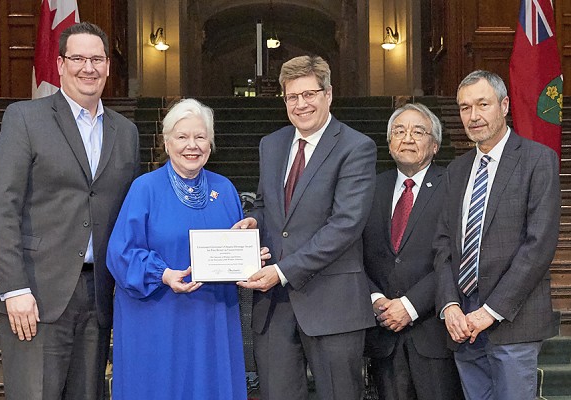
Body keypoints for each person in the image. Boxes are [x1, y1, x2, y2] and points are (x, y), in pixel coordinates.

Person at [0, 22, 141, 400]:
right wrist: (14, 288)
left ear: (108, 67)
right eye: (78, 58)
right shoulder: (25, 118)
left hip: (100, 295)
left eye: (97, 59)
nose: (88, 67)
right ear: (59, 64)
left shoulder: (127, 132)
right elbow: (1, 206)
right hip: (36, 295)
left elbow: (133, 214)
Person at [234, 55, 377, 400]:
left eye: (309, 94)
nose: (301, 104)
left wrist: (282, 271)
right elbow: (268, 205)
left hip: (333, 305)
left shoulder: (356, 147)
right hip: (275, 308)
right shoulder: (271, 144)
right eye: (292, 97)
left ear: (328, 94)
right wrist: (255, 219)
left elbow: (345, 225)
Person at [106, 98, 265, 400]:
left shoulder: (226, 190)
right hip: (157, 319)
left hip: (213, 320)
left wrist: (249, 257)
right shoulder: (145, 188)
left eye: (200, 137)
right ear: (166, 143)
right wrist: (163, 274)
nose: (192, 145)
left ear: (210, 143)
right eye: (182, 137)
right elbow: (121, 253)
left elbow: (232, 249)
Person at [434, 70, 560, 400]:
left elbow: (539, 245)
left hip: (512, 319)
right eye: (464, 107)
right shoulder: (456, 171)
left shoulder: (537, 160)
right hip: (462, 322)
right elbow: (444, 244)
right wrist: (449, 305)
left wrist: (488, 311)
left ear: (504, 105)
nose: (473, 116)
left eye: (482, 104)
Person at [362, 103, 463, 400]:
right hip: (384, 335)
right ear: (389, 143)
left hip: (434, 333)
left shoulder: (453, 186)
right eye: (399, 131)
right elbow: (353, 252)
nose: (407, 138)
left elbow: (457, 255)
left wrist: (410, 304)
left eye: (418, 131)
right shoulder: (370, 188)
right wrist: (376, 298)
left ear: (434, 145)